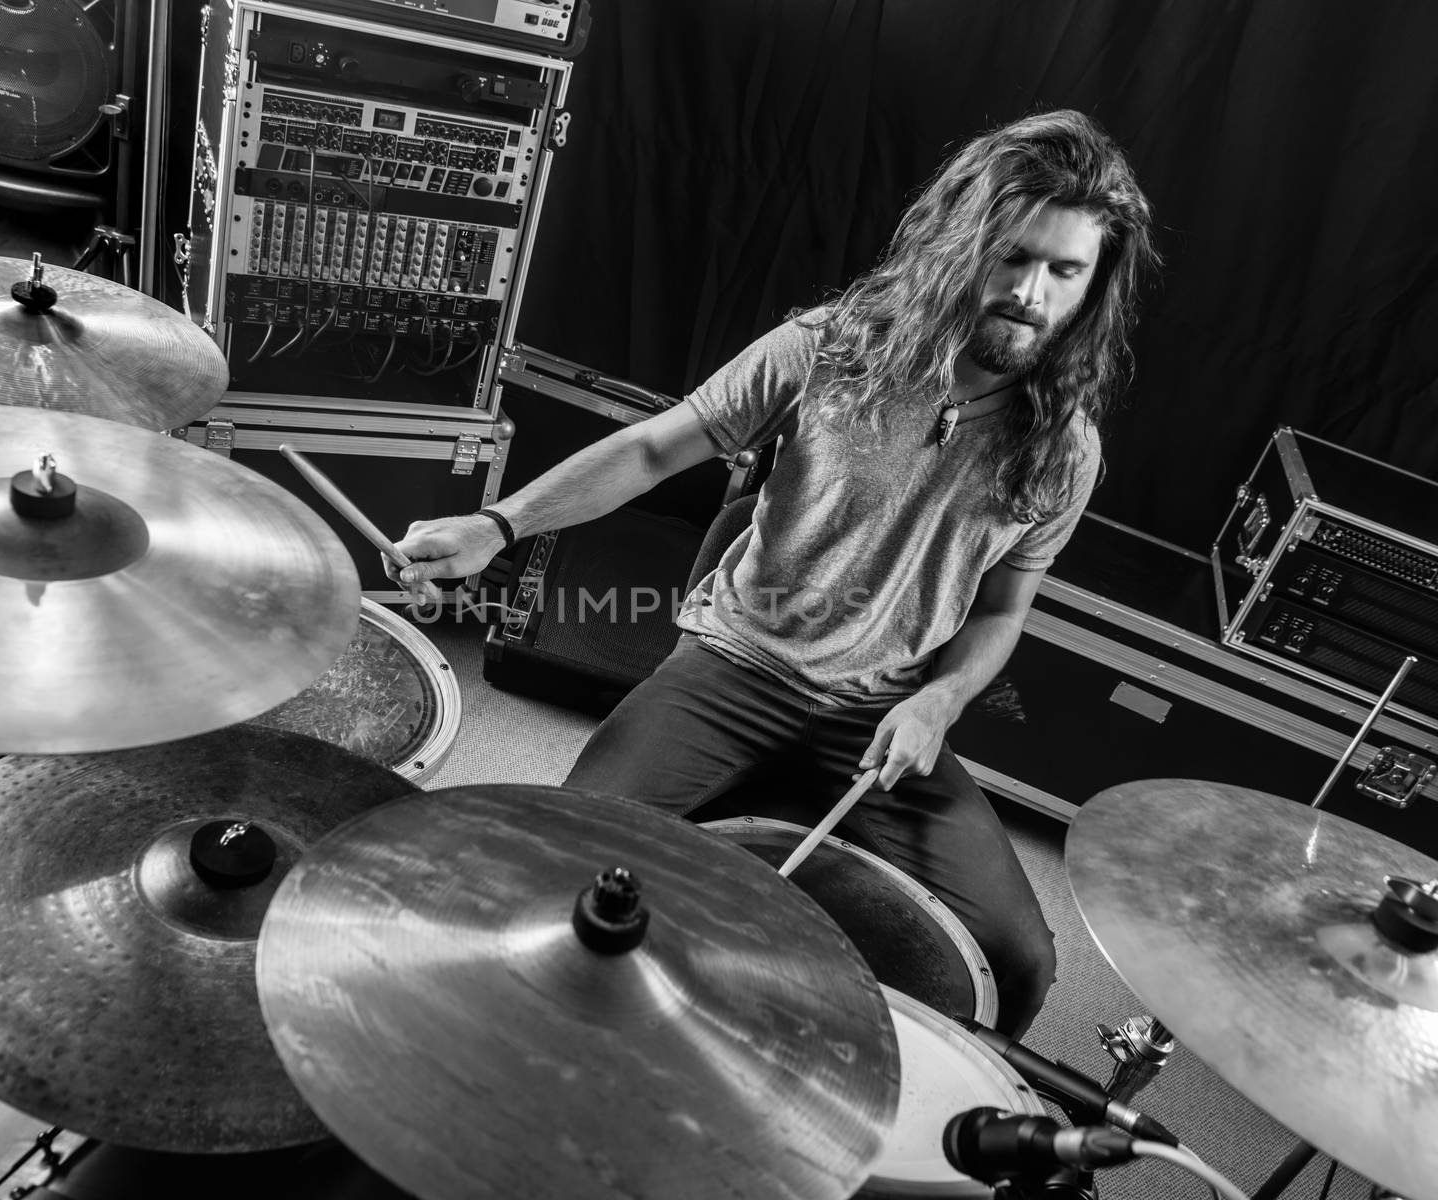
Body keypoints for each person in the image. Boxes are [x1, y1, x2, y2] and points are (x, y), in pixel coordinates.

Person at [386, 108, 1157, 1037]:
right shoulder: (830, 348)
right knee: (558, 865)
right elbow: (649, 451)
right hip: (736, 670)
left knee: (1020, 962)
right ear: (965, 246)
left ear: (1093, 286)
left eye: (1064, 272)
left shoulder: (1065, 452)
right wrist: (497, 524)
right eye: (1014, 257)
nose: (1032, 292)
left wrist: (938, 706)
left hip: (883, 713)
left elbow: (1002, 610)